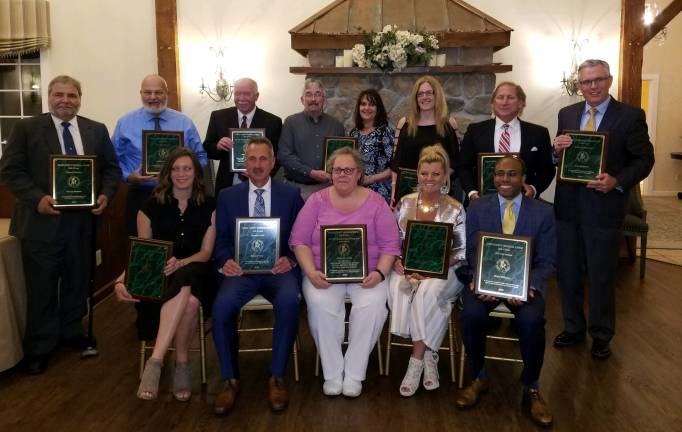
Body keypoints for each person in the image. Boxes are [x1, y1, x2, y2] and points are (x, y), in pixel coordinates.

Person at [0, 75, 121, 374]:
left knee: (77, 281)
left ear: (80, 98)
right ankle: (40, 346)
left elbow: (111, 170)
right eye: (59, 94)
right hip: (40, 225)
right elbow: (11, 171)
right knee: (40, 289)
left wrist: (105, 195)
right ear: (49, 96)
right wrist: (37, 198)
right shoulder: (26, 129)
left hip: (82, 225)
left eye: (72, 95)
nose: (65, 100)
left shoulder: (96, 129)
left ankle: (70, 331)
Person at [552, 59, 654, 359]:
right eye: (586, 82)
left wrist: (617, 181)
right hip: (568, 208)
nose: (592, 86)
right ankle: (573, 328)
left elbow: (644, 160)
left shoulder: (631, 116)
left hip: (604, 209)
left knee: (601, 275)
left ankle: (601, 334)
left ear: (609, 81)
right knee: (568, 273)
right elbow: (559, 159)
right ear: (579, 85)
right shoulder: (567, 113)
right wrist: (556, 151)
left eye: (598, 80)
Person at [290, 147, 400, 397]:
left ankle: (353, 373)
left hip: (368, 275)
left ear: (359, 173)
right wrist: (310, 272)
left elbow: (390, 246)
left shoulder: (376, 202)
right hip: (323, 274)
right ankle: (332, 372)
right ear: (330, 173)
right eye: (337, 169)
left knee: (372, 308)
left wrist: (381, 274)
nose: (342, 174)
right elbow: (300, 241)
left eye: (348, 170)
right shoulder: (316, 201)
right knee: (320, 306)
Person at [457, 155, 556, 427]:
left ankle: (532, 386)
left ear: (523, 178)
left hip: (524, 288)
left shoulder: (543, 212)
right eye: (499, 173)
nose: (504, 179)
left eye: (511, 174)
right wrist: (479, 280)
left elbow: (547, 260)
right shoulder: (477, 208)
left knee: (532, 320)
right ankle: (479, 376)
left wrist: (527, 286)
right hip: (485, 284)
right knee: (472, 315)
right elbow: (469, 253)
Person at [114, 147, 216, 401]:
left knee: (188, 279)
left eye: (187, 168)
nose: (181, 174)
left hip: (197, 269)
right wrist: (120, 280)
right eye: (176, 169)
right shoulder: (149, 207)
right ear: (168, 173)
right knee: (190, 302)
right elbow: (142, 252)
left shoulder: (210, 205)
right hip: (159, 274)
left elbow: (205, 253)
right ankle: (181, 364)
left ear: (196, 173)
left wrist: (181, 263)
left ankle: (155, 361)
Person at [211, 138, 304, 414]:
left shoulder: (291, 195)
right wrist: (226, 261)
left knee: (289, 302)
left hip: (278, 271)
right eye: (252, 159)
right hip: (241, 273)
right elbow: (222, 240)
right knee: (221, 308)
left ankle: (276, 376)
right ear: (244, 164)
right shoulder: (228, 196)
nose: (258, 165)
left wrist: (291, 258)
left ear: (273, 162)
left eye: (263, 159)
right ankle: (230, 379)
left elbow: (300, 237)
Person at [387, 145, 466, 397]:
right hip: (406, 267)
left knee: (426, 293)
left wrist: (433, 269)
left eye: (435, 174)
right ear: (417, 174)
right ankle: (431, 351)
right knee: (397, 287)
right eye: (424, 173)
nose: (429, 179)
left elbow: (462, 251)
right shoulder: (405, 203)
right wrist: (397, 261)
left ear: (445, 177)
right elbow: (392, 241)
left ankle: (416, 360)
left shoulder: (455, 208)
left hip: (447, 270)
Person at [112, 74, 207, 236]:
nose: (153, 97)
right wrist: (128, 176)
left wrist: (186, 174)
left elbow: (201, 157)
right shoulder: (125, 122)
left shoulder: (184, 122)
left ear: (166, 93)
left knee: (177, 245)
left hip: (177, 196)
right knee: (143, 250)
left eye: (158, 92)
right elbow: (112, 160)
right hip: (140, 195)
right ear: (141, 94)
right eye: (147, 92)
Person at [457, 81, 555, 200]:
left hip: (524, 202)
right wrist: (472, 192)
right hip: (482, 202)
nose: (504, 102)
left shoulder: (539, 133)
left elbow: (547, 170)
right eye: (500, 97)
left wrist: (534, 189)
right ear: (492, 103)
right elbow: (463, 166)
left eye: (510, 97)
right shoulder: (475, 131)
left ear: (521, 103)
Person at [203, 78, 283, 195]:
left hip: (260, 185)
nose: (241, 98)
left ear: (256, 96)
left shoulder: (273, 122)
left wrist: (262, 174)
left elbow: (277, 156)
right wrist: (218, 146)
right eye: (237, 94)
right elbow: (207, 149)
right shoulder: (218, 117)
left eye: (247, 94)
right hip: (227, 185)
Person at [391, 75, 459, 204]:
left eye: (429, 93)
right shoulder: (404, 124)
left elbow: (454, 162)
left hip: (439, 190)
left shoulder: (449, 124)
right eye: (420, 94)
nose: (424, 97)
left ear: (436, 95)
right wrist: (394, 193)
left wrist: (433, 182)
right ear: (415, 99)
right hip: (408, 190)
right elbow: (397, 163)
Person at [277, 78, 345, 199]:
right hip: (296, 190)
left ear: (324, 99)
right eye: (308, 94)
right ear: (302, 100)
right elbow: (284, 156)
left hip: (327, 189)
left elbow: (342, 157)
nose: (313, 99)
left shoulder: (336, 125)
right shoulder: (290, 123)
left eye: (317, 94)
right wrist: (310, 172)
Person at [349, 89, 394, 203]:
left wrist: (370, 179)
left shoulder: (385, 132)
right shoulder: (353, 133)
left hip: (379, 189)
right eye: (363, 104)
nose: (367, 108)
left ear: (378, 109)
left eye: (371, 105)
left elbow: (394, 167)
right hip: (355, 187)